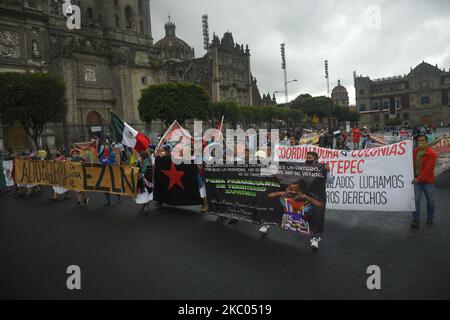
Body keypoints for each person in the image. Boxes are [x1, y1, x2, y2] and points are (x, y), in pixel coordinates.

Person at [411, 135, 437, 228]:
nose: (420, 142)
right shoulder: (415, 151)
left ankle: (430, 218)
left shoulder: (432, 154)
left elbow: (428, 170)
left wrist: (418, 179)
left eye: (422, 140)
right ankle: (416, 220)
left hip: (427, 182)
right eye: (419, 141)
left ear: (426, 141)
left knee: (430, 201)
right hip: (417, 181)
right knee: (415, 201)